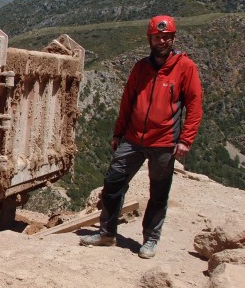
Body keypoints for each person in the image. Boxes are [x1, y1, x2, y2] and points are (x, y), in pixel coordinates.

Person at [79, 15, 203, 258]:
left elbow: (195, 105)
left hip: (165, 142)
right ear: (150, 38)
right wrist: (118, 133)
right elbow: (127, 103)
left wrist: (186, 139)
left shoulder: (185, 67)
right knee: (113, 184)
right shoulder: (141, 68)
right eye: (158, 36)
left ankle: (150, 239)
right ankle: (107, 233)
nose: (162, 40)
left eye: (167, 36)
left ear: (173, 38)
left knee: (158, 192)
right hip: (133, 139)